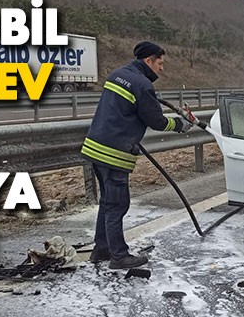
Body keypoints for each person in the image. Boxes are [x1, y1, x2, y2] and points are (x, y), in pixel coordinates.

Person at [82, 41, 192, 269]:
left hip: (95, 147)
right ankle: (119, 256)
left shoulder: (117, 75)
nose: (162, 69)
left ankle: (101, 249)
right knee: (117, 205)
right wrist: (180, 124)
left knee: (107, 202)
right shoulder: (142, 85)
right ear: (148, 61)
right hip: (114, 153)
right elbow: (157, 121)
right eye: (159, 63)